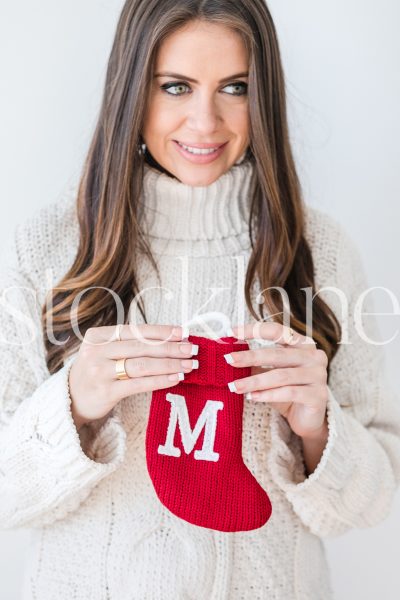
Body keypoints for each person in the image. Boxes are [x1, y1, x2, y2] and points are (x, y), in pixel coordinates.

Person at [1, 1, 399, 598]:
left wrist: (318, 429)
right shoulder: (49, 248)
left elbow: (371, 507)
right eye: (176, 87)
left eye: (235, 87)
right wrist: (74, 407)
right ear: (133, 89)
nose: (205, 121)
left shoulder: (321, 253)